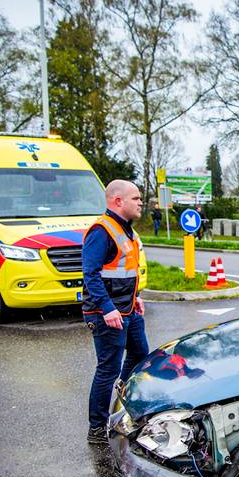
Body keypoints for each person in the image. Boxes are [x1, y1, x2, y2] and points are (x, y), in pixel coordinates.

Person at [82, 180, 149, 445]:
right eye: (136, 198)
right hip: (107, 314)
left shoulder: (126, 230)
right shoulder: (102, 230)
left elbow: (124, 273)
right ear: (117, 201)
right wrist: (108, 309)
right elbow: (91, 275)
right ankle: (96, 428)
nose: (140, 202)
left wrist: (137, 298)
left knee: (140, 356)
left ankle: (121, 406)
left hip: (129, 309)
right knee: (107, 369)